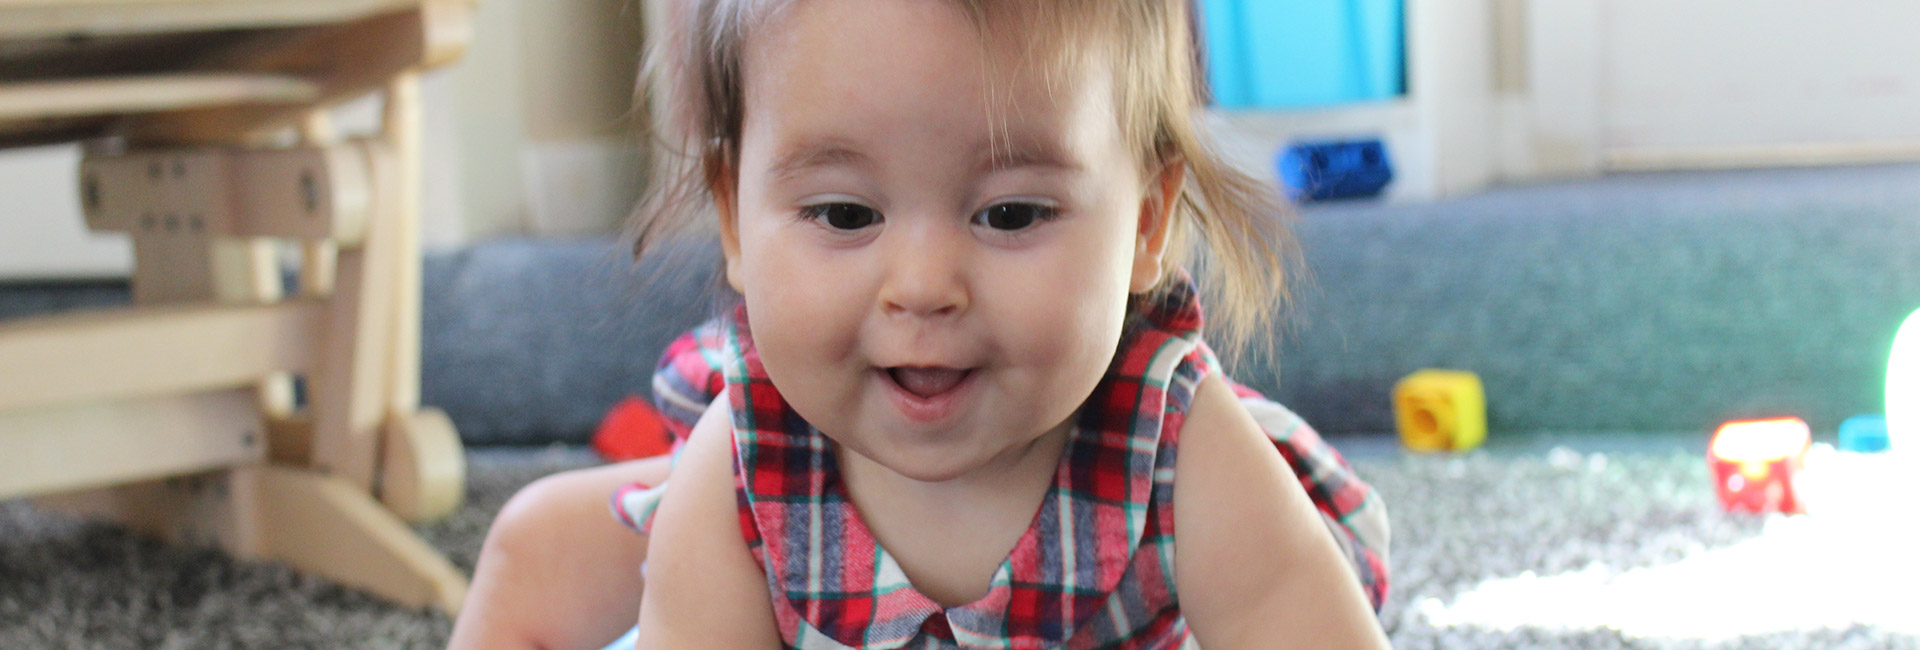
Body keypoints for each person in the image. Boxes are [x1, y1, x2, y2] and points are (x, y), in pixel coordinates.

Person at [447, 0, 1390, 648]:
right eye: (847, 216)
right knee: (538, 544)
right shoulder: (738, 468)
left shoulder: (1182, 453)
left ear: (1145, 221)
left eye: (1012, 215)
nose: (925, 288)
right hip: (782, 498)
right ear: (734, 220)